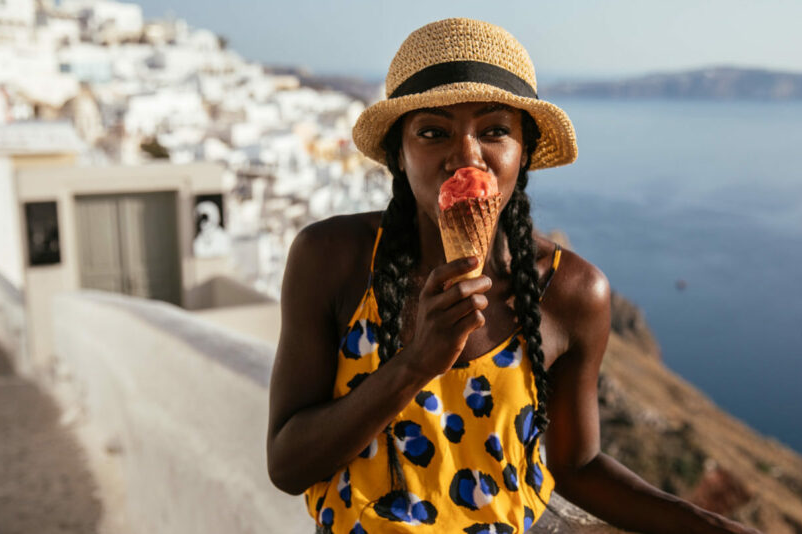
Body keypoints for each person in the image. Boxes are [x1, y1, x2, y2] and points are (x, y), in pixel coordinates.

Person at [267, 18, 763, 534]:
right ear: (399, 152)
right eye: (433, 132)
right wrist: (415, 364)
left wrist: (707, 524)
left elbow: (576, 466)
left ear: (523, 151)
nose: (466, 157)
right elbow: (287, 465)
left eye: (495, 131)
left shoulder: (573, 292)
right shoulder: (330, 258)